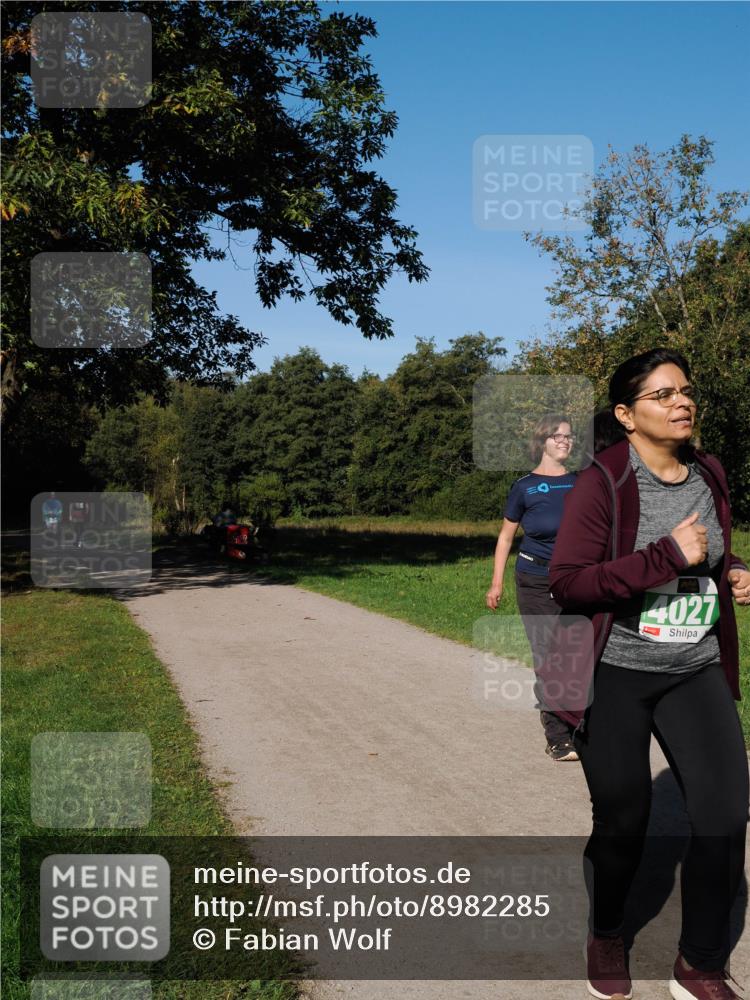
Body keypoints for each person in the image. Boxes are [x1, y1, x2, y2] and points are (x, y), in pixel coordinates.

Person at [547, 348, 749, 1000]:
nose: (682, 401)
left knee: (723, 814)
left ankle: (699, 965)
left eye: (686, 390)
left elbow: (709, 550)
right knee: (623, 820)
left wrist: (732, 569)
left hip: (693, 668)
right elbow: (570, 584)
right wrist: (665, 555)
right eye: (662, 395)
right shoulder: (602, 481)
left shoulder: (707, 472)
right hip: (617, 673)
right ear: (627, 415)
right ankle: (607, 930)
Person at [486, 413, 579, 760]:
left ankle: (580, 722)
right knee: (548, 655)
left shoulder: (582, 483)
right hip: (535, 579)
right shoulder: (524, 487)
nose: (565, 441)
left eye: (569, 436)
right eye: (558, 436)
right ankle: (558, 735)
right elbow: (505, 537)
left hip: (575, 580)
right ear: (542, 442)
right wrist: (496, 584)